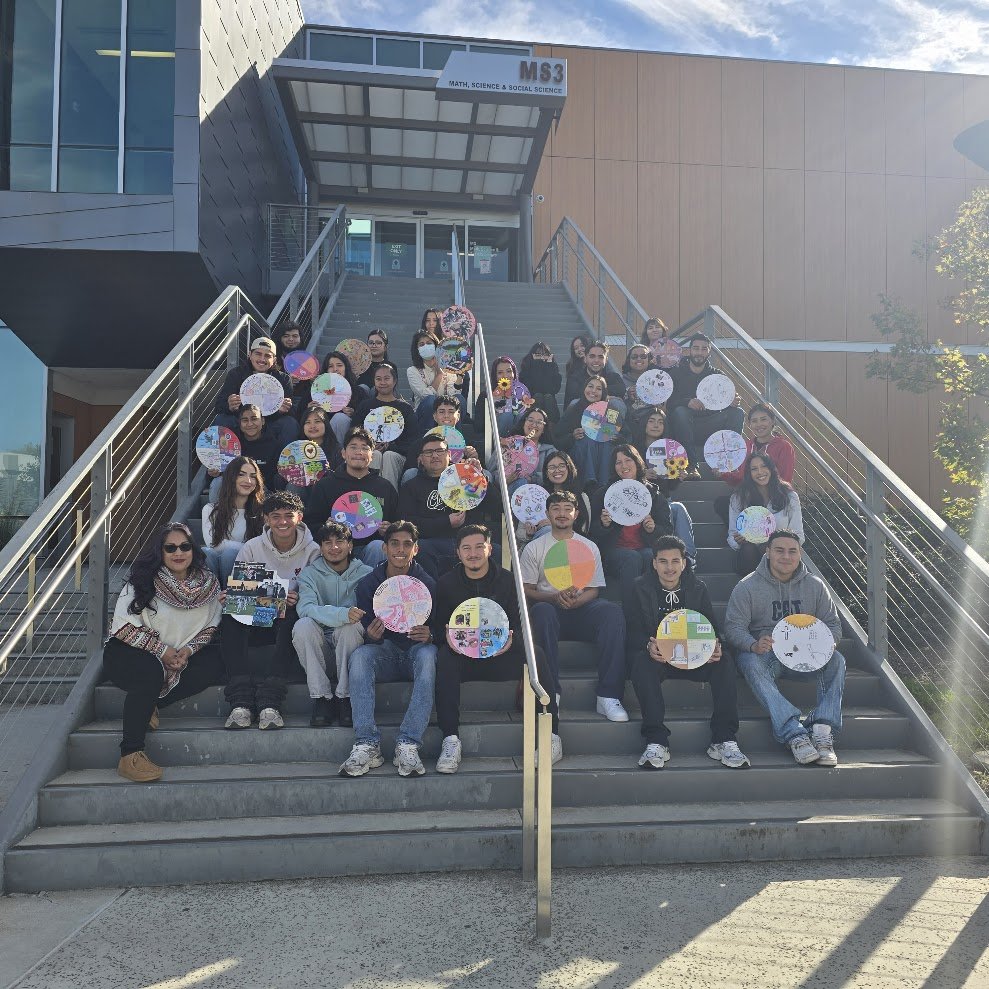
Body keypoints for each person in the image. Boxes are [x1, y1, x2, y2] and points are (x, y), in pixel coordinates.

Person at [433, 525, 562, 772]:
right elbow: (438, 629)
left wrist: (512, 640)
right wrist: (447, 639)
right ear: (458, 553)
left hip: (501, 656)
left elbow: (521, 624)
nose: (473, 554)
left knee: (536, 653)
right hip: (465, 658)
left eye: (479, 547)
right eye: (466, 548)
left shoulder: (507, 580)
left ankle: (552, 736)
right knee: (445, 657)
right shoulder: (446, 584)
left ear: (490, 549)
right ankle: (450, 739)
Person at [103, 523, 223, 782]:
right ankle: (130, 755)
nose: (178, 553)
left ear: (193, 550)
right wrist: (162, 651)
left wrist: (187, 651)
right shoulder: (142, 580)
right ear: (160, 551)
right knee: (150, 672)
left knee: (216, 662)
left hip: (178, 656)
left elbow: (211, 626)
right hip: (130, 651)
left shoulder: (209, 584)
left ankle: (150, 704)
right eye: (170, 548)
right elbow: (122, 627)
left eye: (185, 546)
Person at [627, 535, 749, 770]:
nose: (669, 568)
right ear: (654, 563)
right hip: (659, 658)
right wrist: (647, 645)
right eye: (663, 561)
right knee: (641, 662)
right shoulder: (639, 588)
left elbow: (711, 627)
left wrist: (715, 646)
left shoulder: (697, 587)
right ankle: (656, 740)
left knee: (724, 661)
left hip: (693, 655)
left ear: (684, 563)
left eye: (675, 561)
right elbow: (632, 629)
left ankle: (723, 738)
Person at [724, 529, 845, 767]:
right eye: (779, 550)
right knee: (748, 660)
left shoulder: (815, 586)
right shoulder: (747, 586)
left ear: (800, 554)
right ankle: (794, 733)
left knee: (837, 659)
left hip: (807, 654)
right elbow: (733, 627)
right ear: (767, 552)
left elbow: (833, 624)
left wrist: (829, 642)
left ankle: (822, 730)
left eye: (792, 551)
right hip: (769, 655)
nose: (786, 556)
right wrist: (753, 644)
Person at [521, 491, 629, 722]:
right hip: (550, 609)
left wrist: (575, 601)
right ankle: (551, 694)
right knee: (541, 612)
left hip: (582, 610)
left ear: (576, 513)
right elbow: (527, 589)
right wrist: (554, 598)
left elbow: (594, 589)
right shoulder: (534, 547)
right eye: (556, 508)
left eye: (567, 508)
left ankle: (608, 695)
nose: (562, 513)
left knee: (612, 612)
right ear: (547, 513)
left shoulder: (589, 546)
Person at [341, 521, 438, 778]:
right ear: (384, 548)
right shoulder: (368, 584)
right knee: (360, 656)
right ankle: (366, 743)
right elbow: (364, 628)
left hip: (415, 652)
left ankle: (408, 742)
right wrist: (371, 637)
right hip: (384, 652)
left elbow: (441, 626)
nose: (400, 550)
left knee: (429, 655)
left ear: (416, 549)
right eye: (394, 543)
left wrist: (431, 635)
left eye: (407, 544)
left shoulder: (427, 583)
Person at [220, 491, 320, 731]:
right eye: (275, 516)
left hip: (288, 619)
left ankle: (270, 701)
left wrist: (298, 597)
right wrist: (233, 595)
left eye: (288, 516)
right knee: (230, 615)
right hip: (256, 617)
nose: (282, 522)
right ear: (266, 519)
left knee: (293, 615)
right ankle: (241, 702)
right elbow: (242, 588)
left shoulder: (313, 550)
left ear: (299, 517)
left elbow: (314, 590)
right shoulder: (252, 547)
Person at [293, 521, 371, 728]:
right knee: (303, 625)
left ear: (350, 545)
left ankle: (346, 697)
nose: (334, 547)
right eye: (328, 543)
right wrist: (342, 614)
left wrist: (347, 619)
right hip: (322, 649)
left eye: (340, 542)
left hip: (352, 648)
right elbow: (305, 608)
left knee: (350, 627)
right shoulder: (309, 574)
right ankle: (322, 698)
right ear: (321, 548)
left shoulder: (366, 573)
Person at [590, 444, 675, 605]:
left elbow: (667, 533)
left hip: (644, 548)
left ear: (637, 462)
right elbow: (591, 532)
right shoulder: (603, 494)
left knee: (650, 556)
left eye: (628, 460)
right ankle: (632, 611)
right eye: (618, 462)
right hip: (613, 553)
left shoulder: (653, 494)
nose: (624, 466)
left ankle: (656, 608)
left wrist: (653, 529)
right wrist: (603, 524)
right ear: (613, 467)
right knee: (632, 557)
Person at [304, 427, 398, 568]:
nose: (359, 452)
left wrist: (389, 530)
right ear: (343, 453)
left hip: (369, 551)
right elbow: (310, 524)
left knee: (378, 546)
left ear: (372, 455)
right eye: (353, 447)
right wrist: (325, 528)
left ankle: (372, 583)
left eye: (365, 448)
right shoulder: (326, 485)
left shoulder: (385, 487)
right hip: (335, 549)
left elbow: (398, 523)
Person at [397, 435, 490, 576]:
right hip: (430, 544)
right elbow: (407, 523)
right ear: (421, 459)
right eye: (429, 452)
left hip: (468, 541)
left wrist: (480, 476)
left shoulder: (466, 479)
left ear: (449, 454)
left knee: (495, 549)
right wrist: (446, 522)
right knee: (419, 548)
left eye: (440, 451)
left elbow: (495, 505)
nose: (435, 455)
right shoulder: (411, 487)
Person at [666, 332, 744, 471]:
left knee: (737, 412)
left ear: (709, 352)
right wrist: (687, 402)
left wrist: (732, 401)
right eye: (696, 348)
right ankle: (691, 465)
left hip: (711, 424)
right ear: (689, 350)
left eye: (704, 349)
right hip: (684, 426)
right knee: (680, 412)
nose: (699, 352)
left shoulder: (718, 376)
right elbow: (669, 403)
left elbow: (726, 401)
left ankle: (728, 463)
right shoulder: (675, 373)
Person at [629, 407, 697, 559]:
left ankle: (689, 558)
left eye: (660, 422)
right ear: (644, 424)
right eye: (651, 421)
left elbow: (670, 487)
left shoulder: (670, 450)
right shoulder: (633, 451)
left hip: (663, 500)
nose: (656, 425)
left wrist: (678, 477)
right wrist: (641, 475)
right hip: (641, 503)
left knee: (678, 508)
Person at [715, 402, 796, 521]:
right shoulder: (746, 446)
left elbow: (785, 478)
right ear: (750, 425)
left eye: (763, 419)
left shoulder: (784, 446)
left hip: (774, 498)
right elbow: (741, 477)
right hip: (749, 497)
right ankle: (741, 532)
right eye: (754, 421)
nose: (759, 424)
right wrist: (723, 474)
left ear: (772, 421)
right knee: (722, 504)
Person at [213, 336, 298, 448]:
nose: (262, 359)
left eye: (267, 356)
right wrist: (230, 406)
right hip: (242, 421)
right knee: (222, 419)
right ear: (250, 355)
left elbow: (292, 412)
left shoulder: (284, 379)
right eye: (258, 354)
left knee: (290, 423)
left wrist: (283, 410)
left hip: (269, 422)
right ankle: (223, 457)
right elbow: (219, 406)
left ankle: (285, 458)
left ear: (274, 360)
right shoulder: (236, 374)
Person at [727, 452, 804, 576]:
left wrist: (780, 545)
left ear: (771, 468)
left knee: (769, 549)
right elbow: (732, 535)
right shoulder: (739, 498)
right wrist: (738, 540)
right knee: (749, 549)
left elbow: (798, 534)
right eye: (754, 469)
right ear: (749, 473)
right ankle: (752, 586)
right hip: (749, 556)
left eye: (764, 466)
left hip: (780, 556)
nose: (760, 472)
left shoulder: (789, 496)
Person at [352, 362, 416, 489]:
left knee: (389, 455)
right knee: (374, 454)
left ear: (395, 381)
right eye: (378, 379)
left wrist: (391, 446)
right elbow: (354, 432)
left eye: (387, 378)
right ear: (374, 381)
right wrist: (369, 445)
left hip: (397, 455)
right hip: (370, 451)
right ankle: (369, 495)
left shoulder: (405, 408)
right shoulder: (365, 406)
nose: (382, 382)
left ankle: (389, 497)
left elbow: (412, 440)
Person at [202, 456, 265, 583]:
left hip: (249, 569)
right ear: (230, 477)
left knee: (229, 554)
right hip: (216, 563)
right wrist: (245, 547)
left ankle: (229, 593)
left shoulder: (262, 512)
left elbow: (260, 550)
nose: (248, 480)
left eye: (253, 476)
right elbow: (213, 544)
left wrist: (229, 546)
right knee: (205, 552)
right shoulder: (210, 509)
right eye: (241, 474)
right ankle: (212, 591)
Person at [208, 404, 284, 502]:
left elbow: (275, 479)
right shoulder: (229, 442)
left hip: (261, 489)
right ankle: (216, 511)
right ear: (239, 423)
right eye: (245, 420)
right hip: (234, 486)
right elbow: (219, 470)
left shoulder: (274, 445)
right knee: (218, 482)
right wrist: (214, 472)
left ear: (263, 421)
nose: (250, 424)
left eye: (254, 419)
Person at [401, 396, 480, 485]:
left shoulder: (469, 445)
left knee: (486, 473)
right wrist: (421, 464)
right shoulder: (419, 444)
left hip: (458, 487)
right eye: (441, 412)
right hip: (427, 486)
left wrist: (474, 459)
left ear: (458, 416)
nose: (446, 416)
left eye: (451, 412)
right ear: (434, 416)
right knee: (410, 473)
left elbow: (479, 475)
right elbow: (408, 472)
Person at [557, 375, 615, 485]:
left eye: (599, 389)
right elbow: (558, 438)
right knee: (587, 440)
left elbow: (624, 435)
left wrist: (614, 436)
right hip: (580, 451)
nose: (593, 391)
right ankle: (589, 483)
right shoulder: (573, 410)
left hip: (604, 452)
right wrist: (572, 436)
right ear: (584, 388)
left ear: (603, 393)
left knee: (606, 443)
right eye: (590, 386)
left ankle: (605, 483)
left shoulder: (611, 412)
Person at [283, 405, 341, 509]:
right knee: (294, 485)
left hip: (326, 496)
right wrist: (287, 471)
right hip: (301, 496)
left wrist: (327, 471)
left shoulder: (337, 450)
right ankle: (291, 516)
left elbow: (341, 480)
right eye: (308, 422)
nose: (312, 426)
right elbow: (279, 481)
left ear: (326, 424)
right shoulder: (295, 450)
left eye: (317, 421)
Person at [407, 329, 464, 430]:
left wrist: (459, 376)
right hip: (424, 414)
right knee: (430, 400)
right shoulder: (412, 371)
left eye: (429, 343)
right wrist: (439, 375)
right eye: (421, 344)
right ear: (417, 349)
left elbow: (453, 393)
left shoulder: (448, 367)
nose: (426, 346)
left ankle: (455, 436)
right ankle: (427, 437)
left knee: (459, 399)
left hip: (445, 412)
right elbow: (425, 395)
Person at [491, 406, 554, 494]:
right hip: (508, 493)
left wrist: (532, 479)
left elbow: (554, 474)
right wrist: (504, 479)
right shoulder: (506, 445)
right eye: (530, 420)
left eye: (539, 422)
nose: (534, 425)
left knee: (522, 481)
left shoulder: (550, 451)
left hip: (539, 495)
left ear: (544, 429)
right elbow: (492, 473)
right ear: (523, 423)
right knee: (520, 482)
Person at [563, 339, 625, 407]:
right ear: (585, 359)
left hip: (607, 412)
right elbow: (575, 393)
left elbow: (621, 390)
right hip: (581, 411)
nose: (596, 360)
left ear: (606, 360)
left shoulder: (613, 377)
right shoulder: (574, 378)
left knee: (617, 403)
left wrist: (592, 393)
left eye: (601, 357)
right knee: (575, 402)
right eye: (592, 356)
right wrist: (603, 396)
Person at [519, 341, 563, 422]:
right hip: (531, 403)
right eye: (538, 355)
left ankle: (551, 427)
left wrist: (549, 367)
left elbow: (554, 389)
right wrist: (536, 366)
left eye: (545, 354)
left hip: (549, 404)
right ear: (532, 355)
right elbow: (531, 389)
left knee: (548, 397)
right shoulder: (526, 370)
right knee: (538, 396)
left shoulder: (552, 368)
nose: (542, 358)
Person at [622, 344, 654, 412]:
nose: (639, 359)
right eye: (634, 357)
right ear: (629, 360)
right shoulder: (620, 381)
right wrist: (627, 395)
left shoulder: (657, 381)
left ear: (649, 360)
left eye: (643, 356)